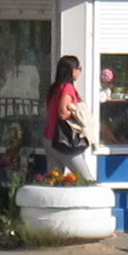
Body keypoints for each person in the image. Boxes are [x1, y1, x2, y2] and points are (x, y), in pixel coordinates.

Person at [44, 54, 95, 182]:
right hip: (64, 142)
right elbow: (62, 113)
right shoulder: (68, 88)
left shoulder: (55, 88)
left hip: (49, 139)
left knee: (54, 180)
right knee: (87, 179)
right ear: (72, 70)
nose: (80, 71)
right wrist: (78, 112)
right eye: (79, 68)